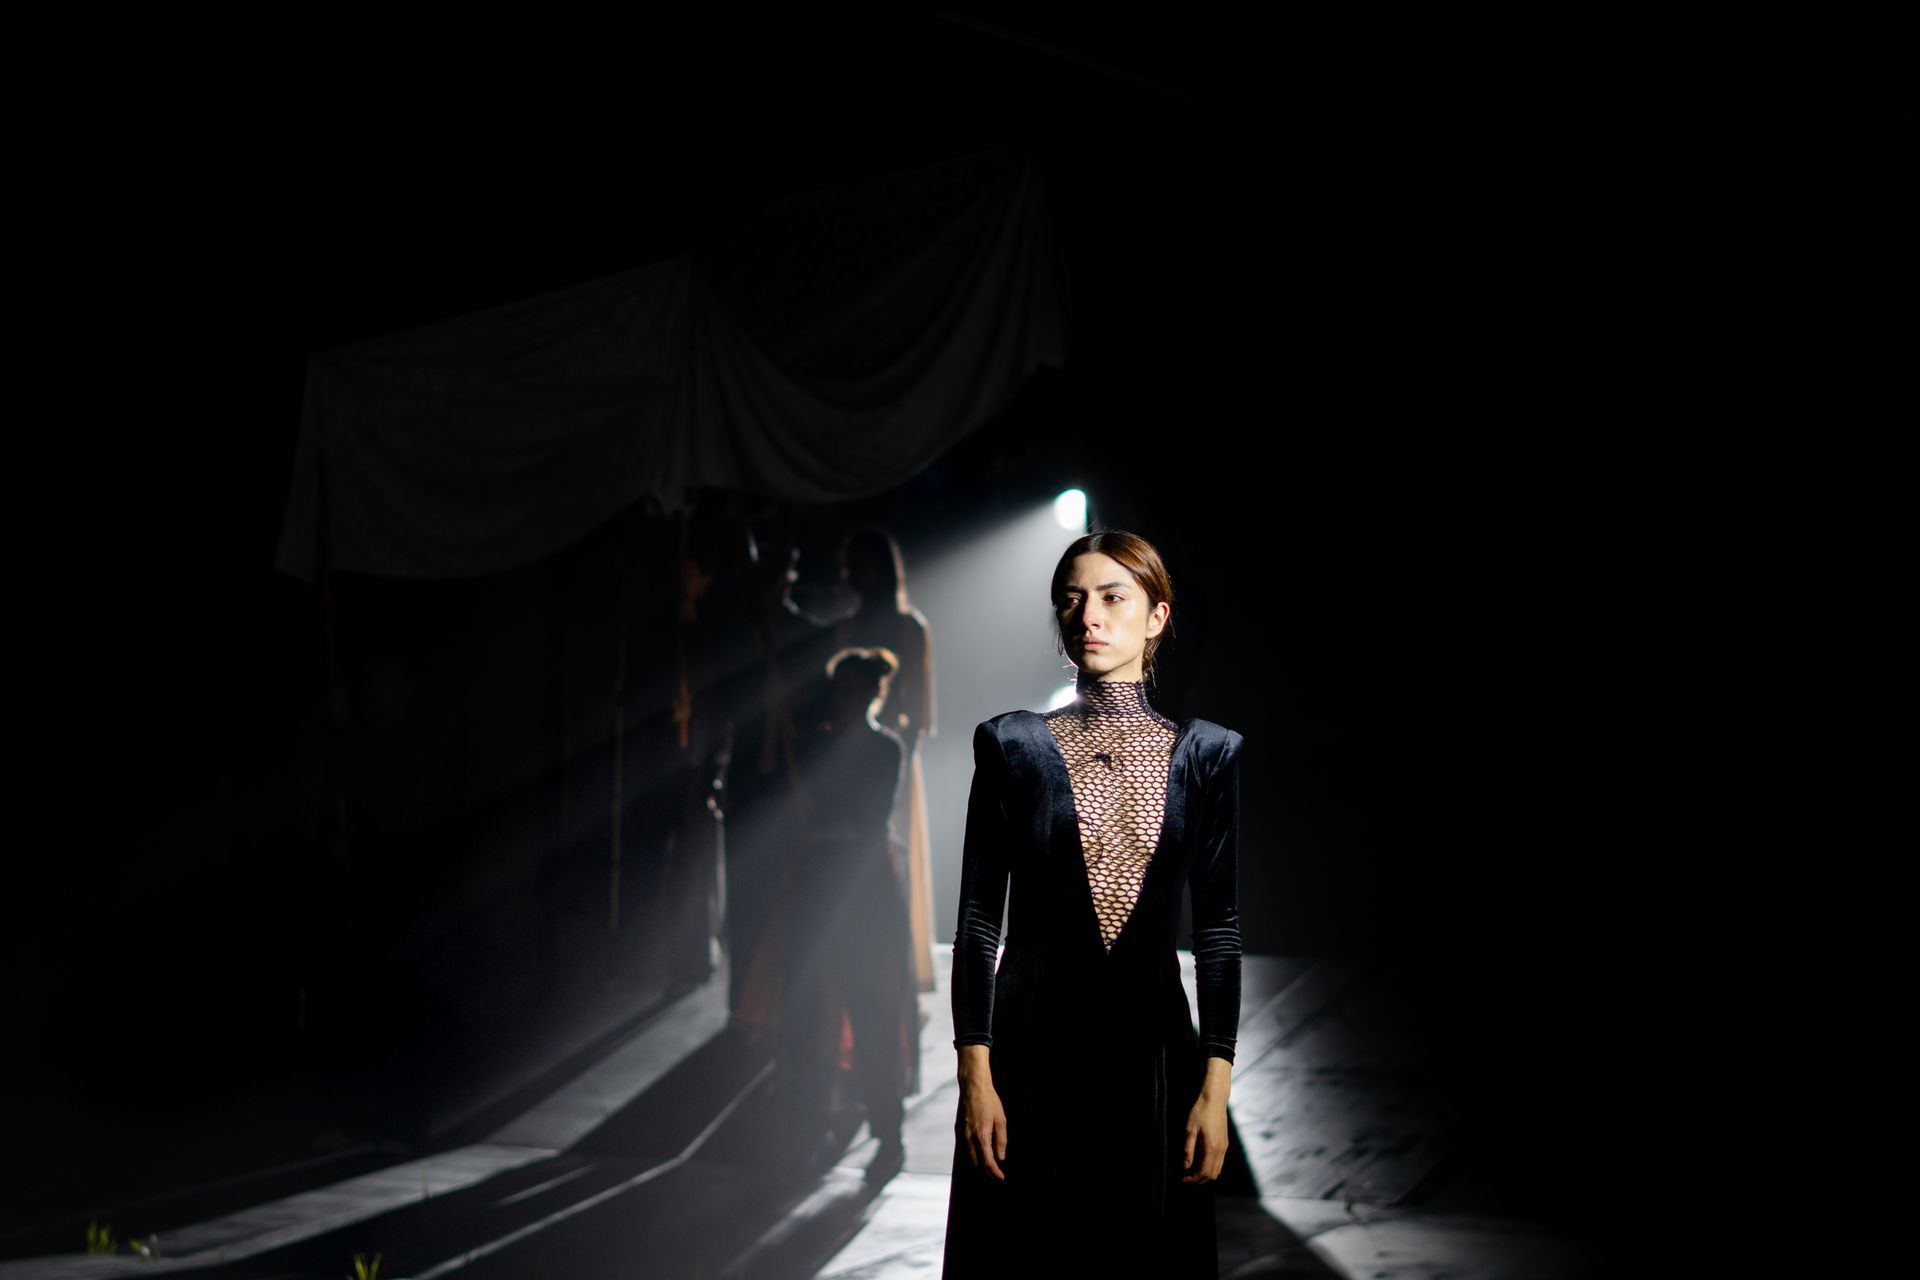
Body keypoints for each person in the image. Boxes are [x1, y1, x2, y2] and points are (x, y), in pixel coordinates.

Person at [941, 531, 1244, 1277]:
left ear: (1157, 616)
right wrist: (975, 1076)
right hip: (1029, 1051)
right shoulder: (1011, 746)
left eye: (1113, 597)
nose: (1089, 616)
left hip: (1151, 1057)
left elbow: (1218, 932)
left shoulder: (1207, 755)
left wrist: (1214, 1087)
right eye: (1072, 600)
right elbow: (977, 924)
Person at [775, 647, 917, 1183]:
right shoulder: (815, 745)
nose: (846, 699)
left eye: (854, 690)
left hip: (863, 892)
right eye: (841, 690)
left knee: (871, 1014)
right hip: (822, 888)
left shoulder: (884, 749)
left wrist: (828, 834)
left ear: (871, 694)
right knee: (808, 1017)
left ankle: (887, 1136)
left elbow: (867, 820)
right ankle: (809, 1132)